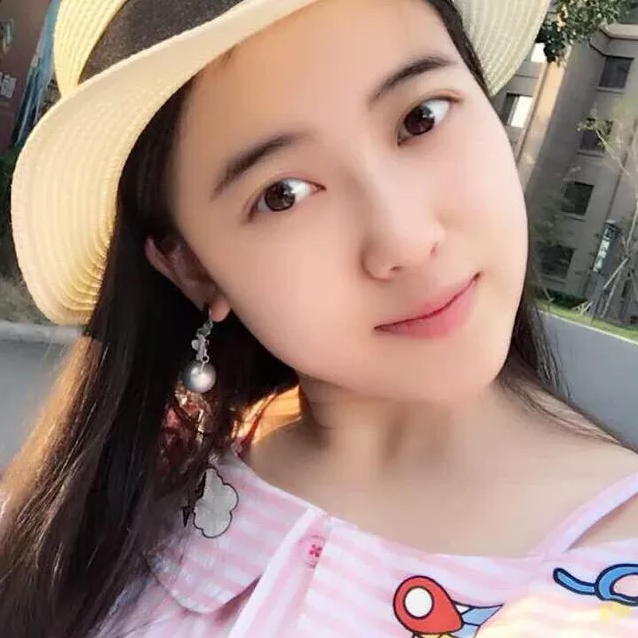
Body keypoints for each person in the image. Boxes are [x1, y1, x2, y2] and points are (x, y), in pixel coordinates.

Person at [1, 0, 638, 636]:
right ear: (192, 267)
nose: (406, 238)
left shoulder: (599, 593)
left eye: (421, 118)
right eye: (283, 194)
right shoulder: (128, 490)